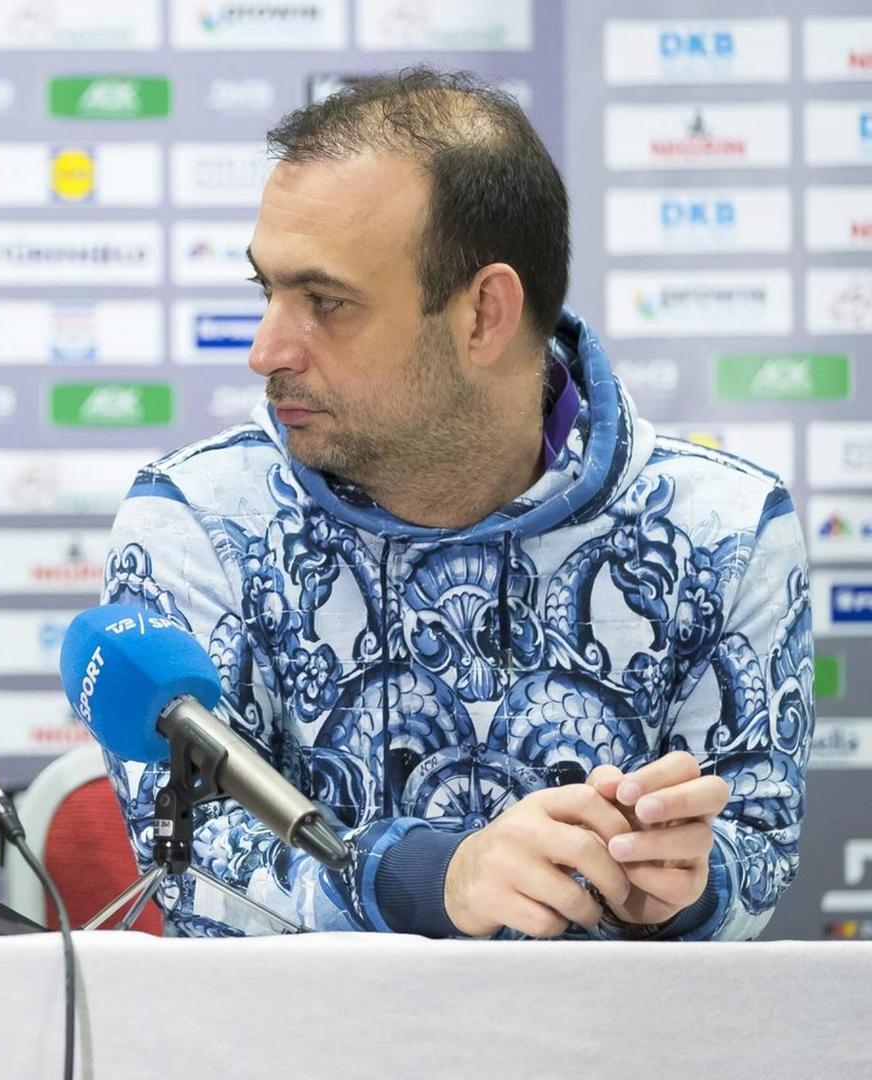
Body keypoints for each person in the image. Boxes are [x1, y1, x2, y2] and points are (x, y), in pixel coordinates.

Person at [103, 69, 811, 940]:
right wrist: (437, 879)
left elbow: (758, 853)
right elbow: (195, 865)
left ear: (485, 315)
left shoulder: (727, 531)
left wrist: (683, 888)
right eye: (268, 291)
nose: (265, 348)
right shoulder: (199, 520)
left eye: (324, 302)